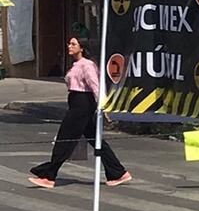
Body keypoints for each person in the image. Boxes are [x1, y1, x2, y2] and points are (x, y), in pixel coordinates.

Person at [29, 37, 131, 189]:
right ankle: (118, 172)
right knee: (95, 139)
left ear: (81, 48)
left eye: (73, 44)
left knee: (65, 139)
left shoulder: (87, 65)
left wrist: (103, 106)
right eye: (69, 43)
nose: (69, 46)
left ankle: (49, 175)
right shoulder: (77, 64)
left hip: (82, 105)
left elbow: (95, 85)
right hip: (77, 102)